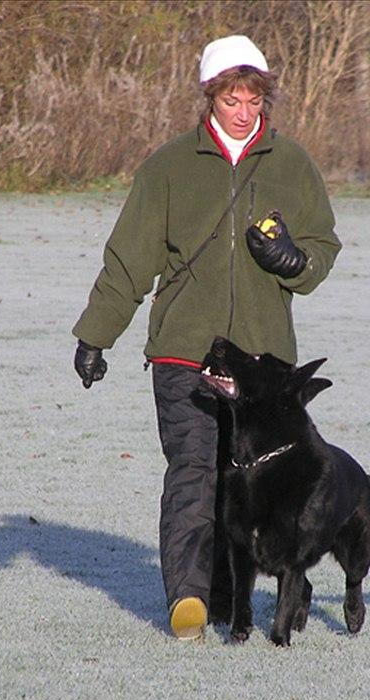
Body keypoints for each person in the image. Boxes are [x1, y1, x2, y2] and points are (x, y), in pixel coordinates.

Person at [72, 35, 341, 640]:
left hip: (262, 366)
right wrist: (96, 335)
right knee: (193, 470)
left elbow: (323, 250)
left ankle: (230, 595)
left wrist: (294, 260)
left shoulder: (293, 164)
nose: (243, 111)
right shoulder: (167, 167)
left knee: (248, 481)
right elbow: (128, 261)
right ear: (209, 96)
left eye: (253, 98)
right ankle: (188, 600)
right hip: (182, 352)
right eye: (230, 98)